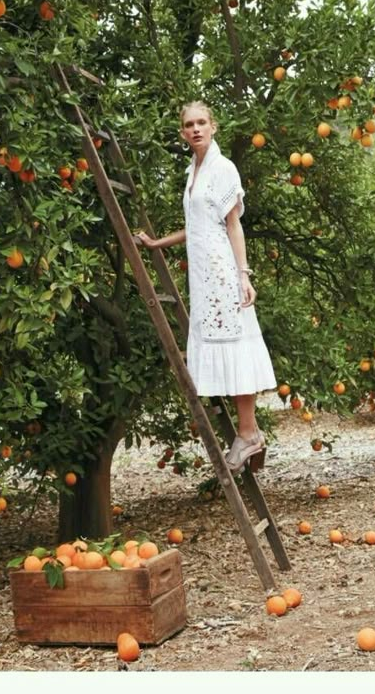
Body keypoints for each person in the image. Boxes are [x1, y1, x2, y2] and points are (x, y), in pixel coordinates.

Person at [136, 101, 276, 473]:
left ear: (213, 126)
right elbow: (197, 226)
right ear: (183, 133)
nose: (195, 129)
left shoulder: (223, 168)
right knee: (221, 346)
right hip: (202, 275)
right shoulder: (193, 170)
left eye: (201, 122)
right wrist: (157, 244)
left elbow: (232, 226)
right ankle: (249, 433)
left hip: (223, 271)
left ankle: (248, 433)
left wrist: (243, 274)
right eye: (188, 124)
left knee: (236, 347)